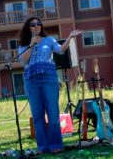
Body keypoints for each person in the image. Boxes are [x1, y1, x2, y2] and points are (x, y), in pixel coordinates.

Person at [18, 17, 82, 154]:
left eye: (38, 24)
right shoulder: (24, 44)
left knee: (53, 114)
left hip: (48, 78)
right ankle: (42, 147)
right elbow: (23, 61)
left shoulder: (49, 40)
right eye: (33, 24)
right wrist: (31, 44)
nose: (36, 26)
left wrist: (70, 37)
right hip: (32, 80)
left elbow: (61, 50)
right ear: (28, 28)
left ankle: (55, 145)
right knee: (38, 115)